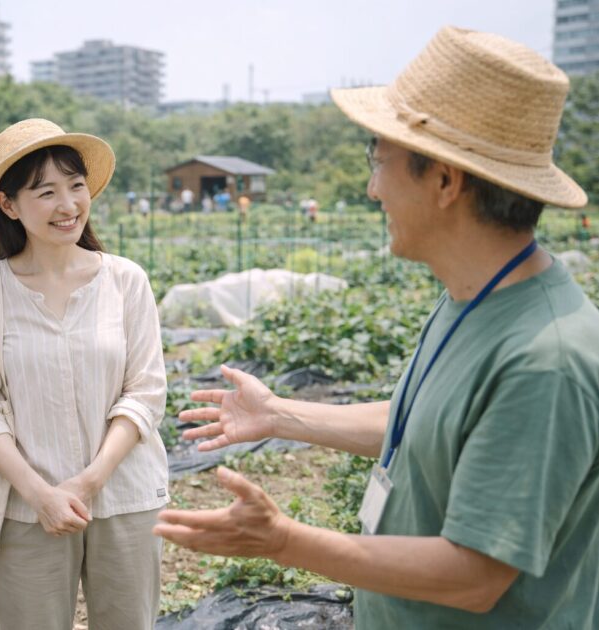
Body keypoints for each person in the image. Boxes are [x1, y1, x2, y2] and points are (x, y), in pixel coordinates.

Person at [154, 26, 599, 629]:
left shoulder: (547, 359)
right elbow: (424, 421)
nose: (371, 188)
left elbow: (475, 575)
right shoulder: (472, 297)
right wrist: (280, 415)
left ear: (445, 180)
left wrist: (282, 541)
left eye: (379, 159)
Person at [0, 118, 168, 630]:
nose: (68, 205)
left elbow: (145, 393)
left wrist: (90, 481)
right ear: (8, 205)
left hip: (124, 497)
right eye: (45, 192)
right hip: (26, 510)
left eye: (75, 187)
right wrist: (42, 494)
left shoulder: (124, 280)